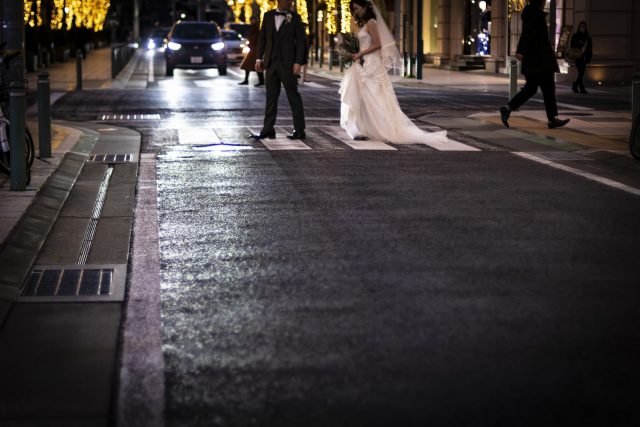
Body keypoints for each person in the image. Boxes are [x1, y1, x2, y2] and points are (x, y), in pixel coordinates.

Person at [339, 0, 448, 145]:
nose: (356, 12)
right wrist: (358, 54)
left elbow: (378, 44)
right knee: (365, 97)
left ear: (365, 7)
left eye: (357, 8)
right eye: (354, 9)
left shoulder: (371, 23)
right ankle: (366, 128)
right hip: (365, 62)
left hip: (372, 64)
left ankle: (382, 128)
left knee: (375, 96)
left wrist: (361, 53)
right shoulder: (365, 24)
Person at [500, 0, 569, 130]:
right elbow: (528, 34)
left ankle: (508, 108)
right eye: (543, 0)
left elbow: (527, 34)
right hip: (540, 60)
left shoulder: (531, 13)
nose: (544, 2)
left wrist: (522, 50)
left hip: (535, 60)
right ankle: (552, 119)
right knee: (547, 88)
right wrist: (521, 50)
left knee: (531, 88)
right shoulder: (534, 15)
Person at [250, 0, 307, 140]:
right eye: (287, 0)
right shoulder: (268, 16)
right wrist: (258, 58)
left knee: (293, 96)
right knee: (271, 98)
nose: (290, 2)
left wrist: (298, 62)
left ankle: (300, 130)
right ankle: (268, 129)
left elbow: (301, 41)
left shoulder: (295, 17)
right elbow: (262, 38)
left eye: (291, 0)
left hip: (288, 64)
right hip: (270, 63)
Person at [239, 16, 265, 86]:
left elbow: (255, 39)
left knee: (254, 65)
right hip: (253, 49)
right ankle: (248, 80)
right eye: (251, 20)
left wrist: (251, 44)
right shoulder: (253, 28)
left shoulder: (256, 28)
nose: (251, 21)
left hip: (255, 49)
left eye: (252, 20)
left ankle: (260, 81)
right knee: (249, 65)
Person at [570, 21, 593, 94]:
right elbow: (572, 45)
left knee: (581, 73)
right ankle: (581, 88)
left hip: (584, 57)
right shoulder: (575, 36)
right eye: (581, 26)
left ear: (585, 28)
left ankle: (575, 86)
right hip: (577, 56)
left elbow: (590, 48)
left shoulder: (587, 37)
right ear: (578, 27)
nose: (582, 28)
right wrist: (579, 44)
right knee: (581, 72)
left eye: (583, 27)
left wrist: (589, 57)